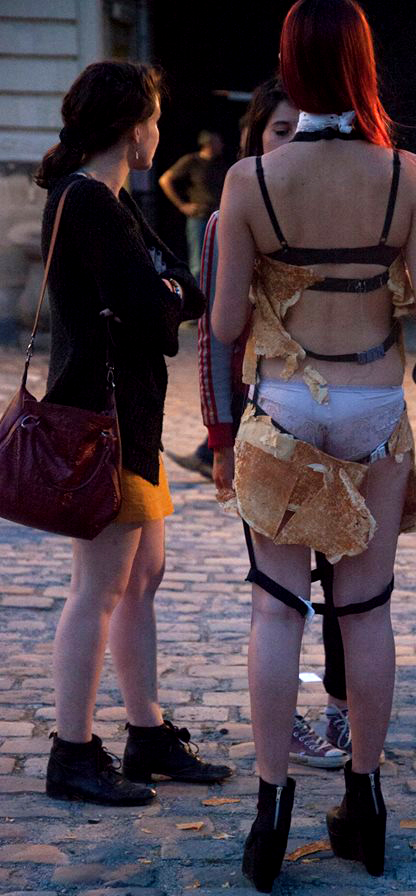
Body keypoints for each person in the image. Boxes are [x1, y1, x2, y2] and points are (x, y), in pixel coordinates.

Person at [211, 0, 416, 890]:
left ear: (291, 66)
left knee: (278, 608)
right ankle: (365, 801)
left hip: (285, 403)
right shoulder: (406, 174)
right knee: (367, 609)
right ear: (362, 63)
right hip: (374, 404)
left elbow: (225, 323)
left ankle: (271, 808)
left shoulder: (251, 179)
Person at [34, 60, 232, 806]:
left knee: (142, 578)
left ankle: (146, 734)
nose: (158, 130)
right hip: (103, 419)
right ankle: (72, 753)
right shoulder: (87, 200)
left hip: (132, 417)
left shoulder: (111, 198)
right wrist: (165, 295)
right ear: (130, 125)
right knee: (98, 588)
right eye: (153, 117)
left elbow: (185, 287)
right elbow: (155, 306)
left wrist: (166, 293)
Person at [199, 76, 348, 769]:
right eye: (279, 132)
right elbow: (217, 339)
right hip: (270, 420)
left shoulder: (343, 207)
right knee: (280, 592)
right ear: (256, 140)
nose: (292, 145)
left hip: (345, 414)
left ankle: (344, 707)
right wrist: (219, 438)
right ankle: (283, 724)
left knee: (347, 582)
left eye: (302, 131)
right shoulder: (232, 215)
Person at [159, 130, 227, 283]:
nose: (222, 145)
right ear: (209, 143)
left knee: (219, 263)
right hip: (199, 217)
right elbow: (165, 180)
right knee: (198, 264)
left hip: (219, 218)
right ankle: (197, 295)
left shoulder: (220, 164)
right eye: (218, 142)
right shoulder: (192, 161)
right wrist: (182, 205)